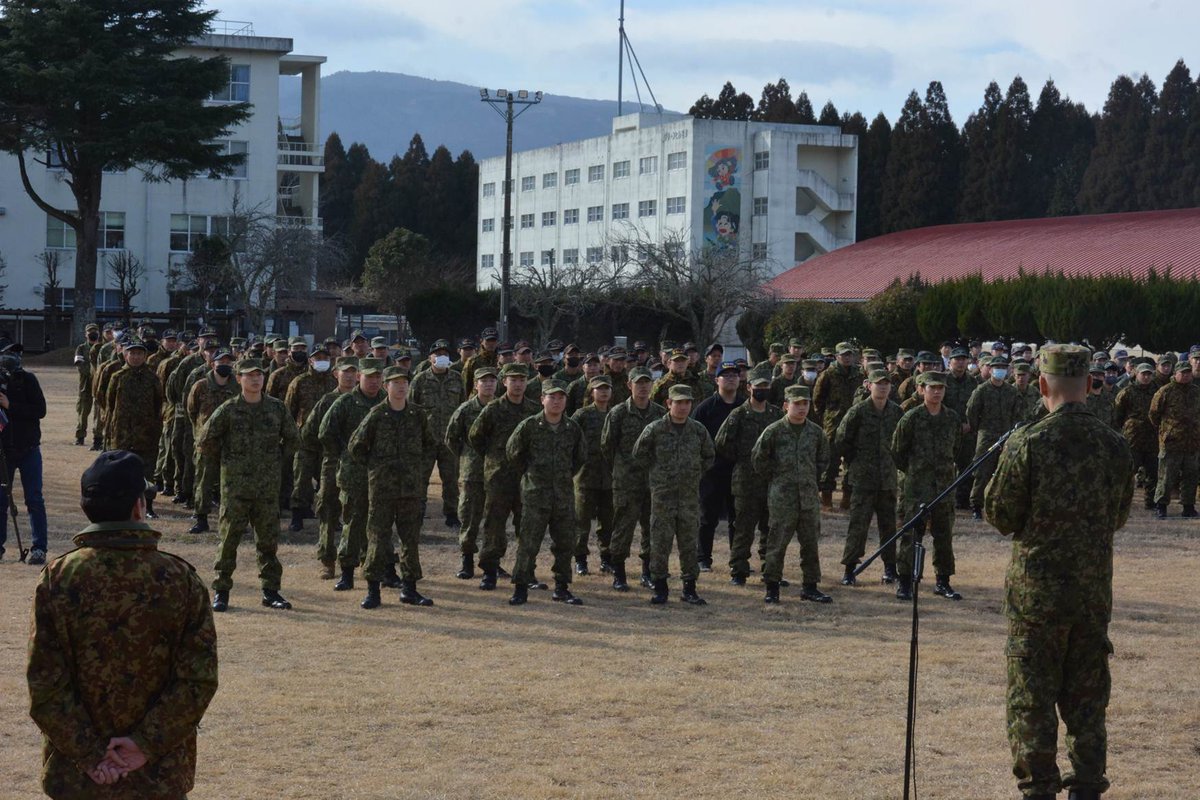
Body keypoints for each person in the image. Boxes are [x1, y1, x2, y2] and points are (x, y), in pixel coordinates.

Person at [984, 344, 1134, 800]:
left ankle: (1039, 790)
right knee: (1087, 701)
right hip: (1091, 597)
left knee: (1031, 701)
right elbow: (1118, 516)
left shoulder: (1027, 442)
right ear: (1090, 385)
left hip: (1037, 600)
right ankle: (1087, 788)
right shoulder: (1115, 446)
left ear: (1041, 384)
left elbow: (1000, 514)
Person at [27, 450, 218, 798]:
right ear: (138, 506)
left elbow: (45, 686)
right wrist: (142, 745)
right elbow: (196, 682)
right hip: (158, 776)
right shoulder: (180, 579)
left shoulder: (59, 579)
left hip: (77, 779)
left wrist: (90, 754)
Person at [199, 358, 300, 612]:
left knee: (268, 541)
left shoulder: (276, 409)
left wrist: (274, 462)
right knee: (229, 540)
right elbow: (206, 440)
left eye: (259, 375)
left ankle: (271, 591)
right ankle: (221, 591)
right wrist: (229, 462)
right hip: (235, 488)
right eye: (249, 375)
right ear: (239, 379)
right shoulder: (229, 409)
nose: (255, 379)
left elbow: (293, 439)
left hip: (266, 488)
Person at [350, 366, 439, 609]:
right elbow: (356, 446)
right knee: (378, 538)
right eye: (395, 382)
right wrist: (376, 468)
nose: (401, 387)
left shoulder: (417, 415)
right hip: (382, 490)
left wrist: (419, 470)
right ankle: (373, 590)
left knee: (410, 539)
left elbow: (431, 444)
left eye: (404, 382)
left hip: (411, 489)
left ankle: (409, 589)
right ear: (386, 386)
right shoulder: (377, 414)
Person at [505, 379, 587, 606]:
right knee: (528, 543)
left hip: (562, 495)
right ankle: (521, 588)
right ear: (542, 399)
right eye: (552, 397)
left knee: (565, 543)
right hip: (535, 495)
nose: (557, 401)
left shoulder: (572, 428)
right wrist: (532, 474)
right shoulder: (529, 426)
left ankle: (562, 587)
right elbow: (513, 453)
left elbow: (580, 458)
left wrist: (562, 476)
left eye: (561, 397)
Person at [633, 385, 715, 605]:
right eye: (678, 402)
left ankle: (690, 588)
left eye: (687, 402)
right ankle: (660, 587)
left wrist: (693, 473)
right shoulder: (655, 429)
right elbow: (639, 455)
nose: (683, 406)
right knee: (660, 543)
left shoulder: (698, 430)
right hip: (663, 497)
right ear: (669, 403)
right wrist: (658, 474)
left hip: (688, 498)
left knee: (689, 543)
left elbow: (709, 456)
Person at [752, 385, 831, 604]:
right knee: (777, 543)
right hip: (782, 497)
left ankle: (810, 586)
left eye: (805, 403)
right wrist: (778, 478)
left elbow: (823, 459)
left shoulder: (816, 432)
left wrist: (809, 478)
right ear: (786, 405)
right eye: (797, 404)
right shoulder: (774, 431)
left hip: (807, 497)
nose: (802, 408)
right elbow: (759, 460)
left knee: (810, 544)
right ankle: (772, 586)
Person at [469, 363, 541, 590]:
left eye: (522, 379)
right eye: (513, 379)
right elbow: (475, 437)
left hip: (525, 478)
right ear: (505, 382)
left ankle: (526, 572)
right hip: (498, 476)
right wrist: (493, 458)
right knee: (494, 524)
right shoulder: (493, 409)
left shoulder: (533, 410)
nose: (518, 384)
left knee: (527, 525)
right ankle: (489, 572)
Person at [892, 371, 963, 601]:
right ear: (922, 389)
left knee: (944, 535)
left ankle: (943, 581)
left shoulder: (952, 418)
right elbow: (898, 452)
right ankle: (905, 581)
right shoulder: (911, 418)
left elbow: (957, 450)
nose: (936, 392)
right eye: (932, 388)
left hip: (943, 486)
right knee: (911, 534)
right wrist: (915, 472)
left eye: (940, 388)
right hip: (916, 487)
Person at [318, 357, 387, 591]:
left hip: (379, 474)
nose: (374, 381)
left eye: (378, 377)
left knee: (379, 523)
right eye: (370, 376)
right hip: (353, 473)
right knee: (353, 522)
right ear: (360, 377)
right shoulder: (345, 402)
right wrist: (345, 455)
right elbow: (325, 432)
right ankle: (346, 571)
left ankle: (378, 568)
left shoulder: (387, 402)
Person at [835, 368, 903, 587]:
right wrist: (855, 462)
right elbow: (841, 440)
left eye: (886, 383)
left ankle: (890, 568)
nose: (882, 387)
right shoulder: (858, 412)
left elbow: (903, 442)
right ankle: (849, 568)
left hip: (887, 478)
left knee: (888, 526)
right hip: (863, 478)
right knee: (858, 525)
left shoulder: (896, 412)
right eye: (878, 383)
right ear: (868, 385)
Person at [601, 366, 667, 591]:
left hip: (652, 481)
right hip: (626, 482)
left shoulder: (659, 413)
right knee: (622, 526)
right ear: (629, 385)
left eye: (647, 383)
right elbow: (607, 447)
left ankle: (647, 572)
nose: (643, 387)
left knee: (652, 527)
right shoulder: (618, 413)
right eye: (638, 383)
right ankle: (619, 573)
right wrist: (621, 469)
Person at [714, 372, 782, 585]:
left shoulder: (776, 415)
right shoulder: (739, 414)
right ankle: (738, 570)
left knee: (771, 528)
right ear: (749, 387)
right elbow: (722, 442)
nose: (761, 390)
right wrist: (744, 458)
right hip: (745, 480)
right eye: (758, 386)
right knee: (743, 528)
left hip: (771, 480)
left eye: (765, 386)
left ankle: (770, 570)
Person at [303, 356, 358, 578]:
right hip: (333, 464)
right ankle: (327, 559)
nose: (349, 375)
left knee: (358, 513)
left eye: (353, 371)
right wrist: (328, 453)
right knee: (328, 509)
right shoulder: (327, 401)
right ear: (336, 373)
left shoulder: (371, 400)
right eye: (345, 371)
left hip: (360, 467)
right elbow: (309, 433)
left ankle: (360, 557)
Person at [444, 366, 498, 579]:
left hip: (497, 472)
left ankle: (492, 560)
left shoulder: (502, 408)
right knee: (469, 517)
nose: (488, 384)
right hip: (472, 472)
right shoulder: (465, 410)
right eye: (483, 381)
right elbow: (451, 438)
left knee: (495, 519)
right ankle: (467, 560)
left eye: (492, 381)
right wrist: (467, 456)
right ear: (475, 385)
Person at [691, 361, 744, 571]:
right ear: (716, 380)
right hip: (712, 471)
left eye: (734, 375)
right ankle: (703, 558)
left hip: (738, 471)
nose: (730, 378)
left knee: (737, 518)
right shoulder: (705, 408)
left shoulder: (744, 407)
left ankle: (737, 559)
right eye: (726, 375)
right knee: (707, 517)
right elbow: (694, 436)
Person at [0, 343, 48, 563]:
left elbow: (40, 411)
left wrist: (11, 405)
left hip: (28, 449)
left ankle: (39, 547)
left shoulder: (28, 380)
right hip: (3, 452)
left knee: (34, 499)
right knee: (0, 499)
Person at [410, 339, 466, 529]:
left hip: (449, 440)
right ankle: (418, 512)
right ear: (430, 358)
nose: (441, 357)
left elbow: (462, 407)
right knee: (421, 478)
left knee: (451, 479)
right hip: (426, 439)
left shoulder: (457, 378)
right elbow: (412, 409)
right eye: (437, 354)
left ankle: (451, 514)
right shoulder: (419, 380)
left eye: (445, 354)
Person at [185, 349, 239, 534]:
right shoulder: (200, 386)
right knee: (204, 481)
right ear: (212, 363)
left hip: (232, 444)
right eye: (220, 361)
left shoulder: (238, 386)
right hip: (207, 443)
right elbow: (192, 412)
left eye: (228, 361)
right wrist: (201, 433)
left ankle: (232, 520)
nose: (225, 364)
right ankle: (201, 519)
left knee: (232, 483)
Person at [966, 354, 1026, 518]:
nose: (999, 371)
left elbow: (1018, 414)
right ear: (990, 370)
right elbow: (972, 413)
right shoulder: (981, 390)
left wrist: (1014, 432)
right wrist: (979, 430)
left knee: (1006, 471)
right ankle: (976, 506)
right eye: (996, 368)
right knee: (982, 471)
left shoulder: (1011, 391)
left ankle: (1002, 507)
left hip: (1007, 434)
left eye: (1002, 368)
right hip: (986, 435)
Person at [570, 375, 614, 576]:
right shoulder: (582, 415)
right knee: (582, 521)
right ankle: (580, 559)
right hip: (586, 475)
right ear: (591, 392)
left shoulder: (616, 414)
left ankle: (607, 558)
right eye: (599, 389)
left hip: (610, 477)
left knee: (608, 521)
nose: (603, 392)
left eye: (607, 389)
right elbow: (569, 440)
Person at [1147, 360, 1199, 518]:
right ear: (1175, 374)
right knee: (1166, 476)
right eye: (1182, 373)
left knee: (1191, 476)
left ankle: (1188, 507)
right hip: (1171, 443)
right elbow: (1153, 414)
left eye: (1188, 373)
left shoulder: (1196, 391)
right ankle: (1161, 506)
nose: (1185, 375)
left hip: (1193, 442)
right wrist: (1166, 431)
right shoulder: (1165, 391)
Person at [1113, 363, 1160, 509]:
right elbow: (1118, 415)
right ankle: (1120, 502)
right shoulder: (1127, 392)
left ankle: (1150, 502)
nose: (1146, 377)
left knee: (1153, 473)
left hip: (1152, 438)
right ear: (1136, 374)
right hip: (1133, 439)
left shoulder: (1157, 392)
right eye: (1143, 374)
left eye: (1149, 374)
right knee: (1128, 472)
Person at [73, 322, 101, 445]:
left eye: (95, 332)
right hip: (85, 385)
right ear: (86, 334)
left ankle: (98, 438)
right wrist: (93, 373)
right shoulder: (81, 348)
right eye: (90, 332)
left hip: (99, 384)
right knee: (83, 411)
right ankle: (80, 437)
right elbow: (80, 365)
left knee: (99, 412)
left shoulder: (102, 348)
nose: (93, 334)